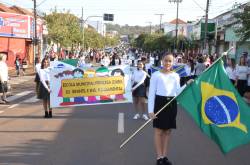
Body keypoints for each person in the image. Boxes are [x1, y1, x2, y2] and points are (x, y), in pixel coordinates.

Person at [148, 53, 191, 165]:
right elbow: (152, 93)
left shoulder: (176, 76)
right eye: (166, 60)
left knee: (167, 131)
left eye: (170, 61)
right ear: (162, 61)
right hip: (159, 102)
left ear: (173, 63)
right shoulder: (156, 75)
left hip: (172, 104)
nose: (167, 63)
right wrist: (150, 111)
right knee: (158, 131)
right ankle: (159, 158)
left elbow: (177, 92)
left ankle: (164, 156)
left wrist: (186, 85)